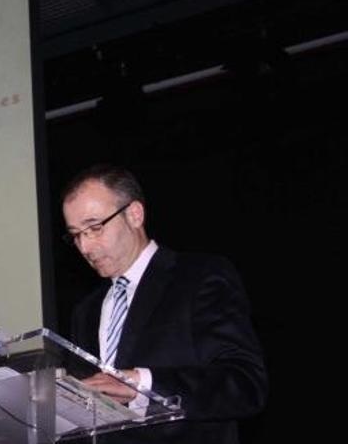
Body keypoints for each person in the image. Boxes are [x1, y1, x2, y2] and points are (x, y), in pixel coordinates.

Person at [61, 164, 267, 444]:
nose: (85, 247)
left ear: (134, 214)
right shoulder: (85, 312)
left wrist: (142, 385)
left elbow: (243, 385)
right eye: (76, 235)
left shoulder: (199, 278)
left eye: (94, 228)